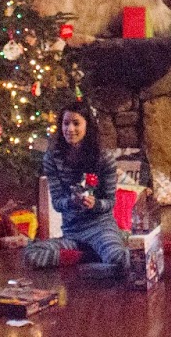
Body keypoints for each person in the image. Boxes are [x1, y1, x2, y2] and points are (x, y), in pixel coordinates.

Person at [24, 104, 131, 271]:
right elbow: (57, 203)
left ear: (87, 125)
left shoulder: (104, 158)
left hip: (101, 229)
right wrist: (71, 202)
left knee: (119, 260)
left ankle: (104, 251)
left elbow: (110, 202)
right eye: (66, 123)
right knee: (31, 254)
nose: (70, 129)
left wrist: (95, 204)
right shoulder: (52, 159)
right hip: (73, 234)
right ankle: (89, 257)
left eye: (76, 123)